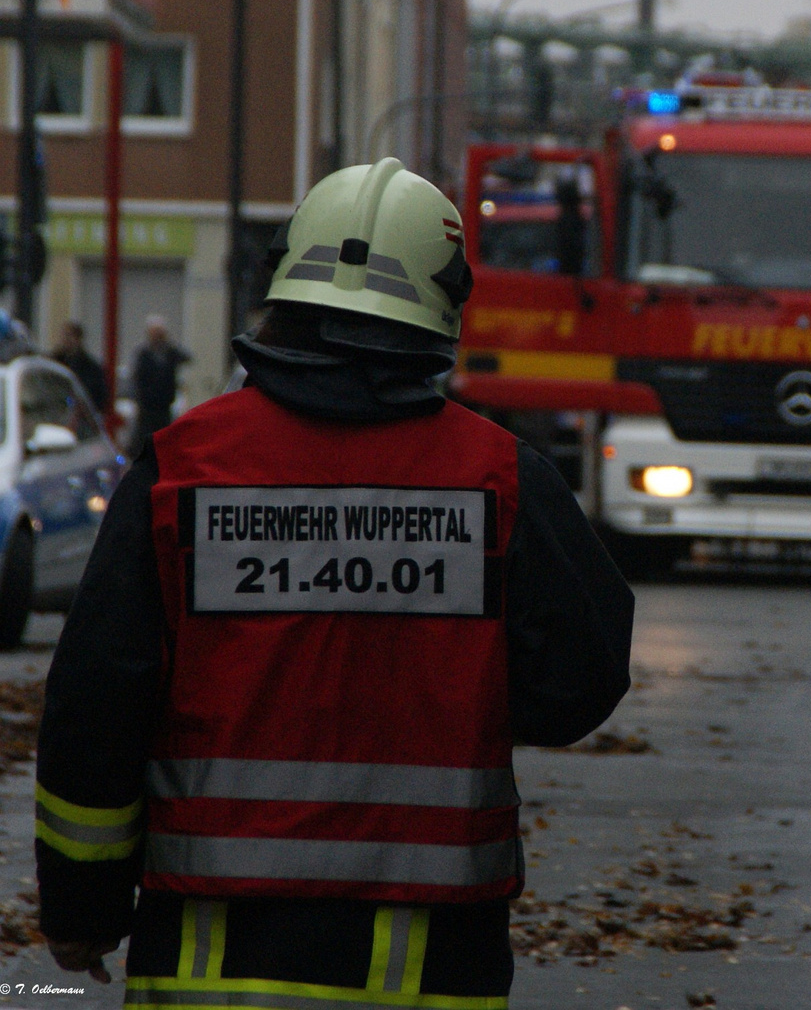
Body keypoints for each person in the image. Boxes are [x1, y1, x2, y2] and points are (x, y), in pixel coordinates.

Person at [35, 158, 634, 1006]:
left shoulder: (182, 472)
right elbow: (580, 683)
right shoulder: (501, 479)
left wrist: (83, 906)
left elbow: (96, 701)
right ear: (443, 303)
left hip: (210, 966)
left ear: (284, 284)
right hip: (434, 972)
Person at [128, 315, 190, 456]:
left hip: (164, 404)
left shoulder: (170, 352)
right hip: (147, 406)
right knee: (144, 438)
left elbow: (187, 357)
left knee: (164, 438)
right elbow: (136, 376)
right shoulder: (142, 353)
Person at [51, 320, 108, 412]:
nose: (65, 340)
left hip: (81, 416)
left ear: (78, 339)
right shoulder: (54, 362)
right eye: (64, 336)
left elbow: (97, 395)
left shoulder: (90, 368)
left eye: (69, 336)